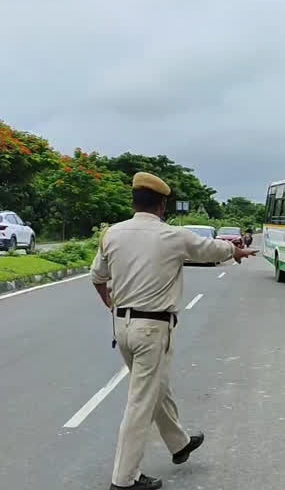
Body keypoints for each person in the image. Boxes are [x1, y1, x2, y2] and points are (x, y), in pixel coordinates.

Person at [91, 172, 257, 490]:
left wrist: (110, 303)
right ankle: (124, 480)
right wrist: (235, 252)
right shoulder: (172, 236)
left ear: (134, 201)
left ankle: (179, 443)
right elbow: (210, 249)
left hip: (123, 328)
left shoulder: (112, 234)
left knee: (157, 388)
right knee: (140, 401)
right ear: (162, 204)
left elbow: (97, 277)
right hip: (152, 330)